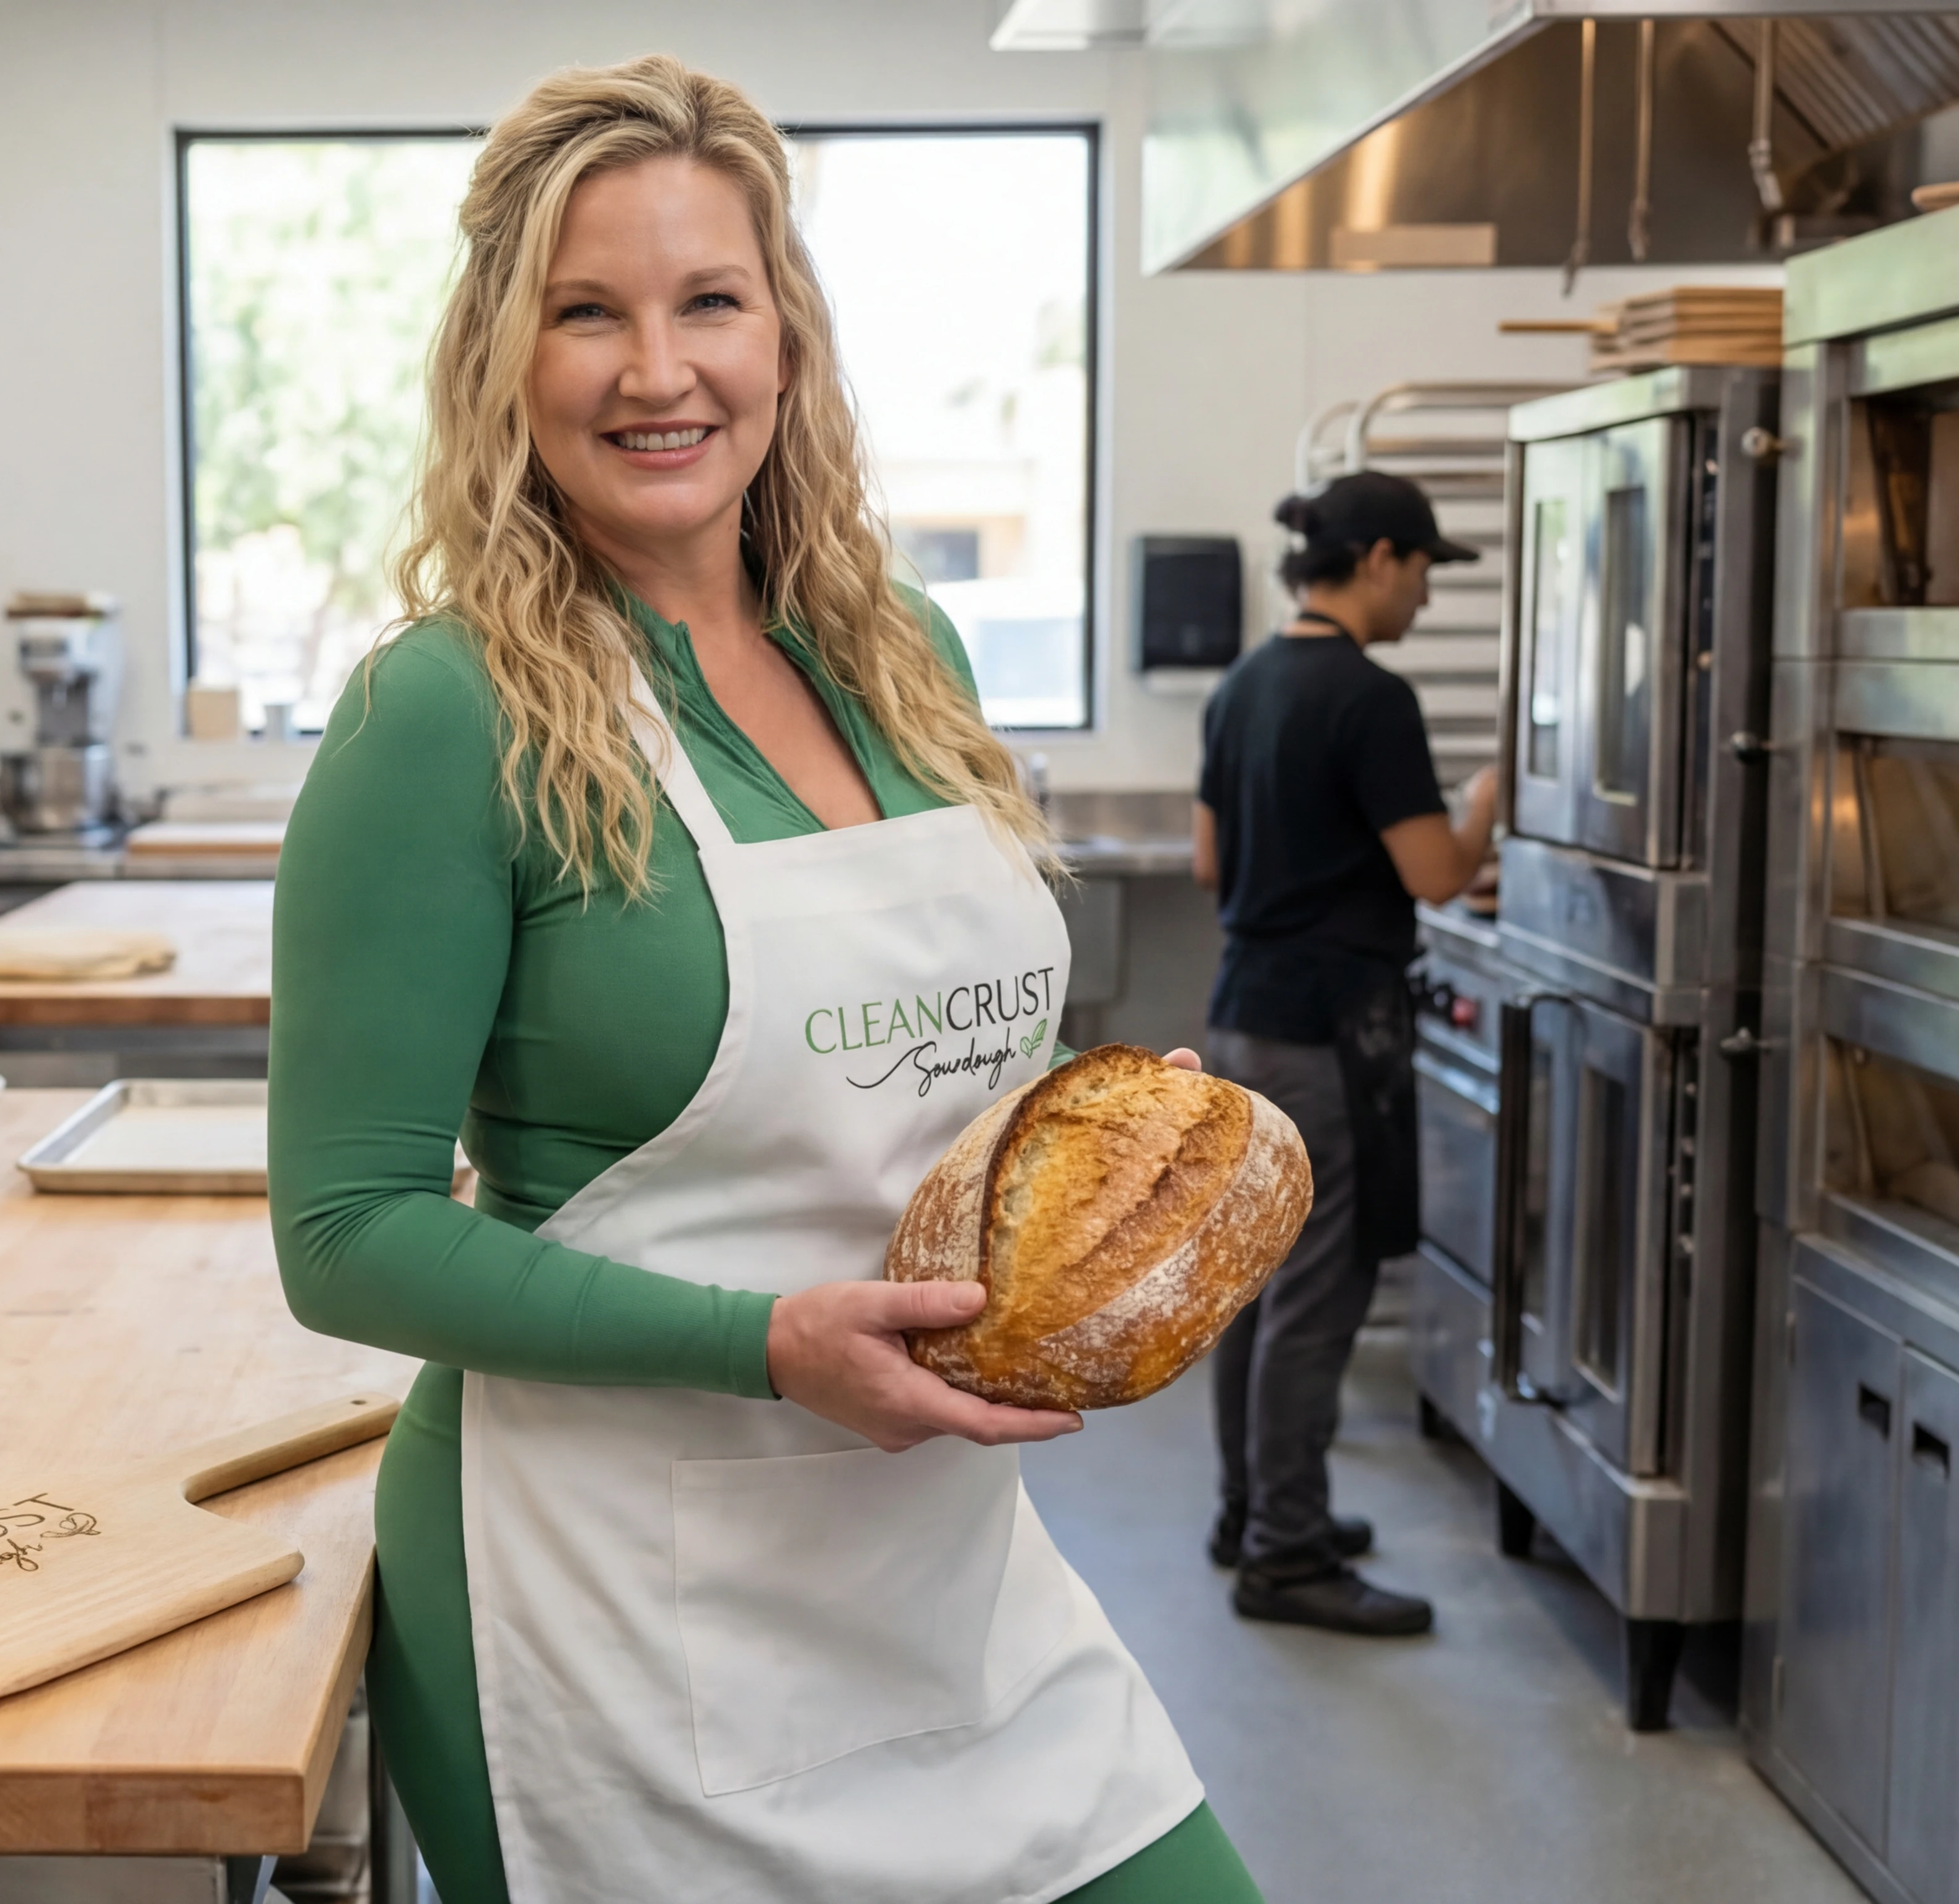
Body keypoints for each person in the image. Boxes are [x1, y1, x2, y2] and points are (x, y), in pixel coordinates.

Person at [270, 58, 1258, 1904]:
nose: (658, 372)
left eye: (706, 301)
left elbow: (936, 1078)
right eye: (587, 313)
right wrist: (766, 1344)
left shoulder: (901, 653)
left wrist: (1116, 1162)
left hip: (941, 1567)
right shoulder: (444, 712)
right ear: (504, 359)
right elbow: (342, 1231)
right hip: (614, 1603)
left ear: (783, 338)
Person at [1191, 471, 1499, 1637]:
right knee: (1318, 1293)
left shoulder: (1240, 685)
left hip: (1238, 1017)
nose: (1423, 595)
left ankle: (1251, 1509)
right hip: (1325, 1035)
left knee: (1254, 1284)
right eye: (1421, 569)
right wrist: (1484, 802)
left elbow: (1206, 865)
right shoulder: (1369, 699)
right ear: (1376, 557)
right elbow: (1434, 873)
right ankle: (1286, 1552)